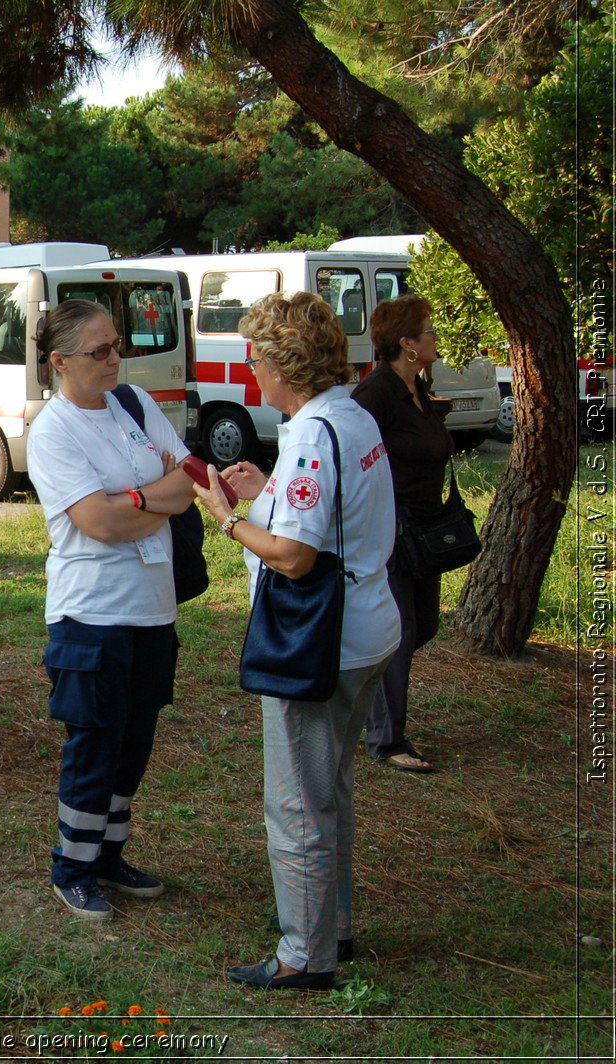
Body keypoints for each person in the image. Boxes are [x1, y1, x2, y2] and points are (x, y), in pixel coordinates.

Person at [189, 291, 399, 991]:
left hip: (321, 645)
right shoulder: (350, 416)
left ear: (286, 366)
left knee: (297, 802)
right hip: (369, 629)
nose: (251, 375)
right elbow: (330, 510)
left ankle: (304, 954)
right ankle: (330, 926)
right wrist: (269, 487)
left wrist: (226, 516)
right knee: (330, 786)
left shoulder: (310, 433)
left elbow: (293, 556)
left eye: (256, 360)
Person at [25, 298, 196, 921]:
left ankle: (108, 853)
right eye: (100, 351)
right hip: (91, 613)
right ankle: (72, 865)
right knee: (95, 743)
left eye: (117, 345)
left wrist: (136, 500)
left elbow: (193, 479)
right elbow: (97, 522)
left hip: (153, 607)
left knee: (136, 740)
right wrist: (158, 497)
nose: (115, 358)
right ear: (60, 361)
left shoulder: (136, 405)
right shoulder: (53, 431)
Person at [352, 295, 448, 773]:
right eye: (428, 331)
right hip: (390, 530)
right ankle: (386, 740)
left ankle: (358, 694)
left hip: (424, 531)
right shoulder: (375, 393)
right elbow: (353, 452)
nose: (435, 337)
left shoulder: (420, 389)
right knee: (401, 631)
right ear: (407, 343)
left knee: (423, 626)